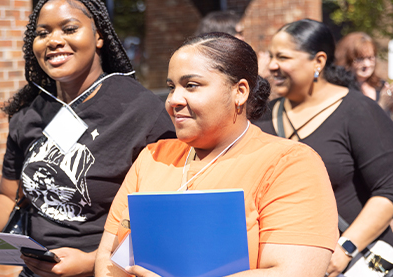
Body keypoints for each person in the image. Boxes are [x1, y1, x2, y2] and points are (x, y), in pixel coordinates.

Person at [0, 0, 175, 277]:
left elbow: (165, 218)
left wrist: (90, 261)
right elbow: (8, 196)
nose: (54, 40)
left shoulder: (142, 111)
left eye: (69, 28)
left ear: (99, 36)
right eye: (43, 33)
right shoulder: (29, 114)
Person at [95, 32, 338, 276]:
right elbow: (108, 260)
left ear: (240, 91)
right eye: (171, 87)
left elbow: (292, 272)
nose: (173, 100)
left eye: (191, 85)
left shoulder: (290, 165)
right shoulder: (152, 158)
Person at [253, 19, 393, 277]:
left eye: (283, 57)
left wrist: (345, 248)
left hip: (352, 264)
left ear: (318, 61)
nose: (272, 66)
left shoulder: (358, 111)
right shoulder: (262, 118)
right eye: (271, 56)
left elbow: (388, 189)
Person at [195, 10, 274, 100]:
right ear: (225, 36)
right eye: (239, 33)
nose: (243, 38)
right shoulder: (208, 68)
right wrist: (260, 76)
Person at [335, 31, 393, 118]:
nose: (367, 64)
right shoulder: (342, 91)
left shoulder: (381, 86)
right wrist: (382, 105)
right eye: (360, 59)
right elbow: (360, 125)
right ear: (347, 61)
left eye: (370, 58)